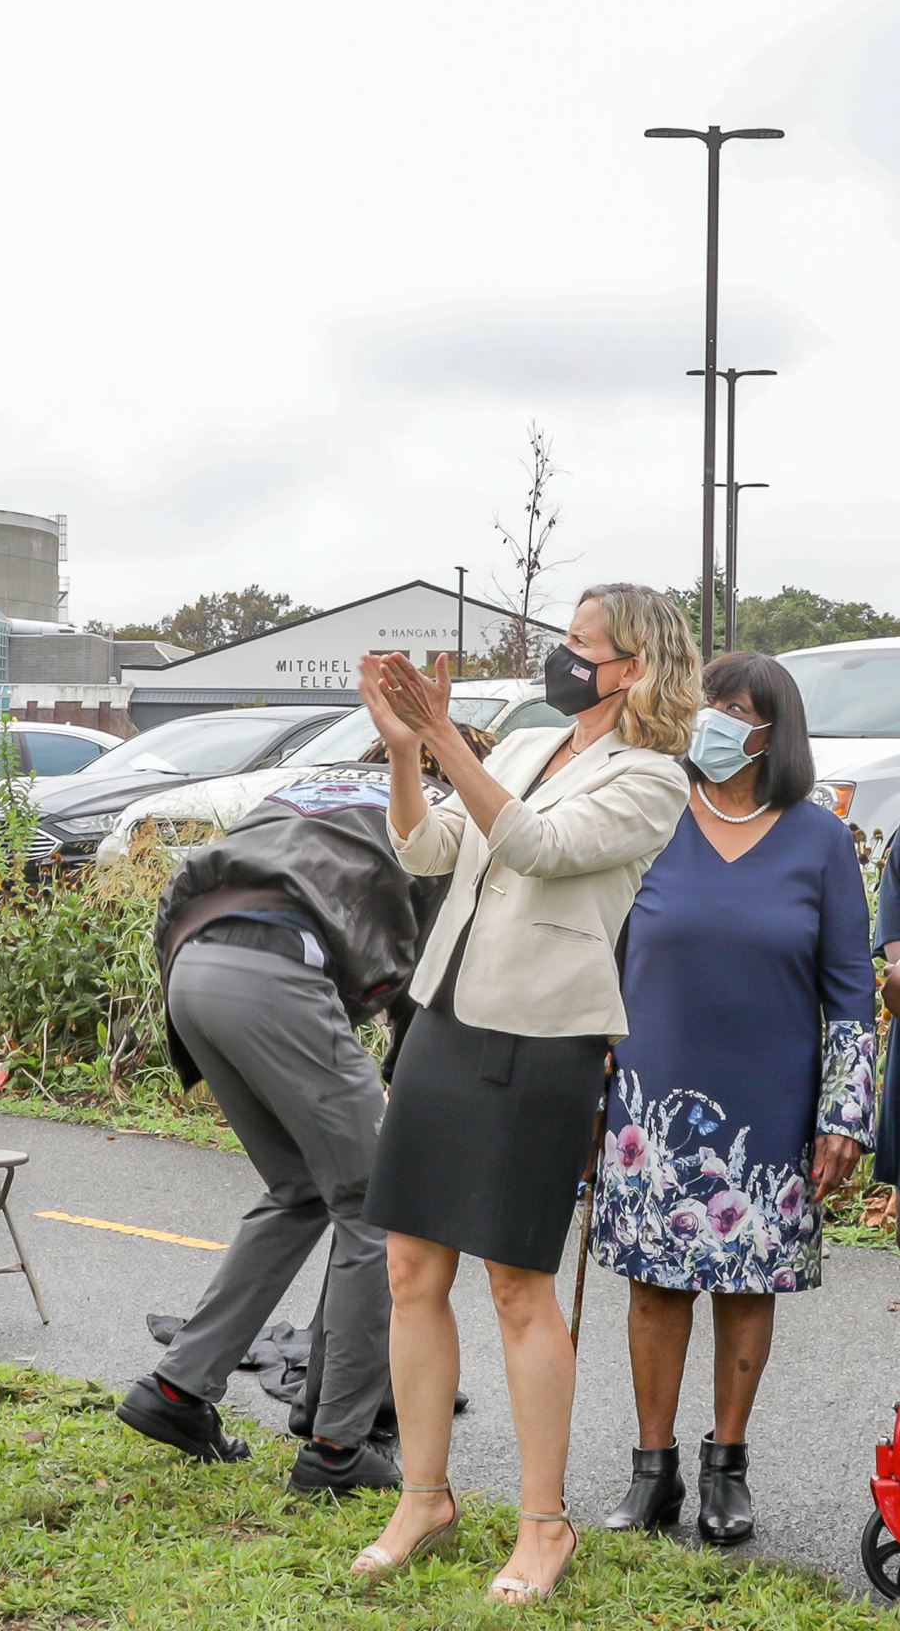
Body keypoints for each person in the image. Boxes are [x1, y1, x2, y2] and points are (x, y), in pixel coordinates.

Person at [350, 584, 696, 1606]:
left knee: (513, 1283)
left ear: (630, 664)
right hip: (444, 1018)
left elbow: (537, 849)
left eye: (578, 644)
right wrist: (408, 751)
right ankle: (423, 1498)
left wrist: (443, 736)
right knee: (409, 1266)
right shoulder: (516, 749)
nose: (560, 656)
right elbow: (425, 849)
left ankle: (543, 1523)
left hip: (542, 1034)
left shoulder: (650, 779)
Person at [119, 726, 496, 1498]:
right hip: (276, 970)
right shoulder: (430, 819)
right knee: (375, 1203)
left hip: (192, 964)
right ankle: (336, 1447)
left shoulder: (308, 790)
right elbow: (424, 983)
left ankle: (178, 1390)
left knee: (299, 1190)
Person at [589, 651, 871, 1545]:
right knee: (654, 1286)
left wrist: (843, 1114)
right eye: (706, 702)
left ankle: (727, 1470)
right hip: (652, 1098)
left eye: (732, 707)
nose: (710, 718)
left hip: (768, 1106)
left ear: (770, 728)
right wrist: (586, 1066)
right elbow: (600, 948)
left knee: (747, 1287)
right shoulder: (654, 814)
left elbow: (852, 989)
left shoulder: (819, 838)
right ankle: (651, 1471)